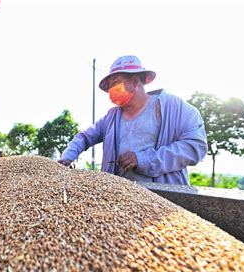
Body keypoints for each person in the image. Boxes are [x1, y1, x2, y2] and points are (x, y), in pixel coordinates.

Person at [58, 55, 207, 185]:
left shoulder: (174, 108)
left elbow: (195, 146)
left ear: (135, 81)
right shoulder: (111, 117)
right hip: (120, 199)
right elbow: (83, 137)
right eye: (109, 86)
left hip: (165, 198)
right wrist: (67, 158)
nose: (111, 90)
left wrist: (143, 159)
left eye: (115, 83)